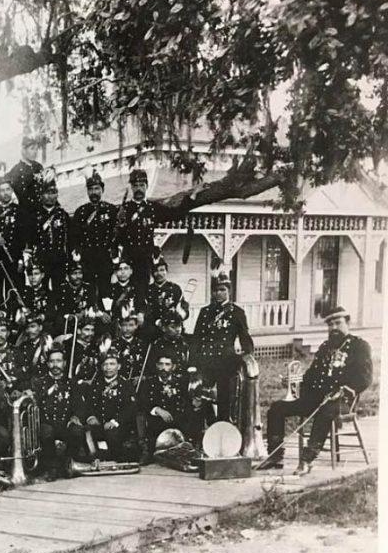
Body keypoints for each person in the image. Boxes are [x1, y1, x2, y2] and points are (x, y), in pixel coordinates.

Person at [259, 306, 372, 474]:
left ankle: (307, 460)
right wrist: (293, 381)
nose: (333, 328)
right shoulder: (325, 347)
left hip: (341, 400)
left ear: (347, 323)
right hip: (315, 397)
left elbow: (365, 378)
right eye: (330, 324)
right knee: (277, 409)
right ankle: (275, 456)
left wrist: (346, 389)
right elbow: (311, 376)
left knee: (325, 411)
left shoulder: (360, 346)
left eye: (338, 323)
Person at [191, 272, 253, 422]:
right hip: (206, 362)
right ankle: (208, 427)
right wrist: (193, 363)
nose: (218, 293)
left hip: (226, 362)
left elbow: (244, 336)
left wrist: (247, 353)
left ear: (229, 291)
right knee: (201, 396)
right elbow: (197, 338)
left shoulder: (237, 313)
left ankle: (223, 430)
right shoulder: (205, 312)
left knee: (224, 400)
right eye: (216, 290)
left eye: (222, 290)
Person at [114, 169, 180, 297]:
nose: (139, 188)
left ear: (147, 186)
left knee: (144, 292)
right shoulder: (124, 209)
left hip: (145, 259)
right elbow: (117, 236)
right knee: (126, 293)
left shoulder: (152, 208)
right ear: (132, 187)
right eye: (136, 185)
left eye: (142, 185)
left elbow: (174, 213)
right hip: (128, 259)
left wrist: (191, 198)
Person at [28, 347, 84, 479]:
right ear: (47, 364)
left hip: (65, 424)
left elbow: (80, 406)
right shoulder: (39, 383)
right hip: (46, 424)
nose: (55, 365)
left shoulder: (72, 383)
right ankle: (51, 467)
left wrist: (75, 417)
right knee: (46, 431)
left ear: (64, 363)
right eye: (52, 361)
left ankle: (67, 463)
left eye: (58, 361)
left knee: (78, 431)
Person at [71, 170, 118, 301]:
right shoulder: (80, 212)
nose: (94, 192)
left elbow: (117, 234)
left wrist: (115, 252)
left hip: (105, 260)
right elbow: (74, 236)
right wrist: (77, 253)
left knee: (106, 293)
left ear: (102, 189)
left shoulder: (111, 210)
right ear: (87, 191)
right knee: (88, 292)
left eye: (97, 188)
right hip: (87, 261)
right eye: (90, 189)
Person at [0, 170, 31, 299]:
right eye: (2, 190)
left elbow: (26, 238)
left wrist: (22, 259)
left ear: (12, 190)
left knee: (16, 290)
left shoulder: (21, 212)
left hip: (15, 258)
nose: (5, 193)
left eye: (8, 189)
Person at [30, 173, 70, 293]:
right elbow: (30, 239)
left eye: (52, 193)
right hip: (41, 260)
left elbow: (70, 238)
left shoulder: (63, 215)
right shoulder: (34, 217)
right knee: (42, 291)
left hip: (59, 259)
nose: (49, 196)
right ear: (41, 195)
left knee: (60, 290)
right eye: (46, 193)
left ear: (57, 194)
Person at [6, 136, 44, 210]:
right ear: (24, 150)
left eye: (36, 149)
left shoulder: (39, 167)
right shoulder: (15, 170)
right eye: (32, 148)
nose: (35, 152)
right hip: (25, 212)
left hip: (41, 210)